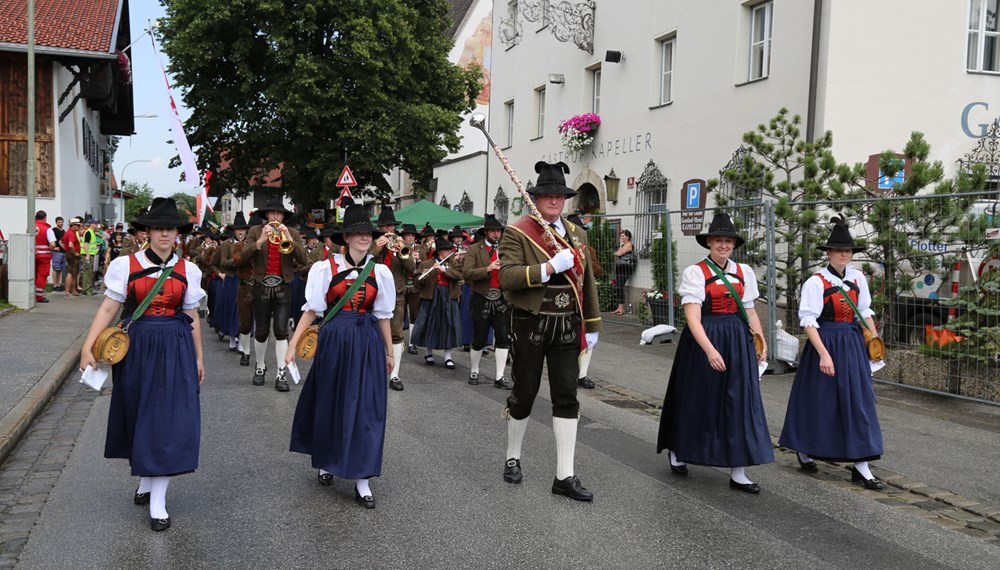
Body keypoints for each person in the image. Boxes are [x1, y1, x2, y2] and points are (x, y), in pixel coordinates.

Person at [78, 198, 205, 532]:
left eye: (171, 229)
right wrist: (87, 347)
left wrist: (199, 358)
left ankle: (158, 499)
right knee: (139, 413)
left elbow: (192, 315)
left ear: (178, 234)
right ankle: (147, 479)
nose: (165, 234)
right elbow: (108, 310)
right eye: (159, 228)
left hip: (175, 347)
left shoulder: (189, 270)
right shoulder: (125, 265)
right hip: (136, 348)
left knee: (167, 418)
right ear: (147, 232)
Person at [498, 161, 602, 501]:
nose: (554, 201)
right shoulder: (517, 231)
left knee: (567, 396)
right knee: (524, 393)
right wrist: (546, 268)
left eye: (559, 195)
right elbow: (507, 277)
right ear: (537, 199)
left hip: (568, 324)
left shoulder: (577, 234)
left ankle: (564, 475)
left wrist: (593, 322)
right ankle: (513, 455)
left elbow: (586, 282)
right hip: (532, 321)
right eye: (548, 195)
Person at [285, 202, 395, 509]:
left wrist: (389, 351)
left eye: (367, 234)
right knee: (331, 402)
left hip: (367, 341)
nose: (363, 238)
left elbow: (384, 314)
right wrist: (293, 346)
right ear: (345, 237)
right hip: (334, 340)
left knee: (367, 408)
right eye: (357, 233)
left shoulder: (380, 272)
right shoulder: (325, 269)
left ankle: (362, 479)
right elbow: (311, 311)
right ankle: (326, 460)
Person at [656, 212, 773, 494]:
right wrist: (709, 350)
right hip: (704, 339)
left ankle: (738, 469)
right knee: (699, 398)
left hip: (738, 340)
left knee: (740, 402)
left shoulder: (743, 272)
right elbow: (693, 319)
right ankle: (680, 449)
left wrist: (761, 342)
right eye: (718, 240)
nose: (723, 245)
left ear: (734, 244)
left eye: (728, 241)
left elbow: (749, 310)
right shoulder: (696, 273)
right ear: (709, 242)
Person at [778, 217, 885, 490]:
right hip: (824, 343)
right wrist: (824, 354)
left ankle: (861, 466)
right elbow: (808, 321)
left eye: (847, 250)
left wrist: (874, 342)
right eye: (838, 250)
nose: (843, 254)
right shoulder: (816, 282)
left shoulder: (858, 278)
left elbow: (864, 312)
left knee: (859, 403)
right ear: (828, 253)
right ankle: (804, 448)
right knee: (820, 402)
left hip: (851, 344)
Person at [233, 197, 307, 391]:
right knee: (262, 331)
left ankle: (281, 372)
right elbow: (242, 258)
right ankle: (259, 367)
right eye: (272, 213)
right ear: (266, 215)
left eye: (279, 213)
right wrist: (260, 241)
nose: (276, 216)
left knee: (282, 331)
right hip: (261, 286)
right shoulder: (256, 231)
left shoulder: (292, 232)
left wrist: (289, 239)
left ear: (283, 215)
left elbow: (303, 258)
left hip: (283, 286)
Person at [461, 214, 512, 389]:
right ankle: (474, 370)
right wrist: (488, 269)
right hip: (481, 297)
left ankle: (500, 376)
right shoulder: (475, 249)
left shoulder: (506, 250)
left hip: (501, 298)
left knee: (503, 337)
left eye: (498, 231)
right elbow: (467, 273)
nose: (496, 234)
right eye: (492, 231)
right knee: (480, 337)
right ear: (486, 232)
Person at [371, 207, 417, 392]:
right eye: (385, 226)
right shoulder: (373, 242)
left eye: (391, 226)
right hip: (375, 292)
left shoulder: (402, 244)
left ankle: (395, 375)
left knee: (397, 333)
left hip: (397, 293)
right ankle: (375, 371)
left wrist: (401, 249)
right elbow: (364, 262)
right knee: (374, 333)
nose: (388, 229)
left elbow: (412, 267)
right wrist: (377, 248)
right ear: (380, 227)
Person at [411, 237, 463, 368]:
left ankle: (448, 357)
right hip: (431, 296)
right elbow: (417, 281)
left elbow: (459, 275)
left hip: (448, 296)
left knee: (449, 325)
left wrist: (444, 270)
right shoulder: (427, 263)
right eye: (446, 250)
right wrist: (424, 275)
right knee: (430, 325)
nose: (449, 252)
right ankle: (429, 353)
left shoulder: (453, 263)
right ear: (440, 251)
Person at [567, 212, 601, 389]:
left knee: (589, 335)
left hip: (584, 297)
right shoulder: (560, 248)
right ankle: (569, 372)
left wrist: (587, 259)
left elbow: (597, 271)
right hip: (567, 298)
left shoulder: (589, 249)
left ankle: (583, 375)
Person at [398, 223, 422, 355]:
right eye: (408, 235)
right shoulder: (399, 248)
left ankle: (412, 343)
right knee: (400, 314)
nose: (410, 237)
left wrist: (419, 261)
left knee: (414, 315)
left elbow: (425, 266)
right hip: (402, 284)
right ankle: (399, 341)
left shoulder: (420, 249)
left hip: (414, 286)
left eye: (412, 235)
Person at [33, 210, 57, 303]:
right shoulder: (48, 229)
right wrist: (50, 249)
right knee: (42, 275)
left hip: (33, 254)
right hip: (44, 256)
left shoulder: (31, 226)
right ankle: (38, 296)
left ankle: (32, 294)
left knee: (33, 275)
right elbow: (53, 244)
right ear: (45, 218)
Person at [612, 229, 635, 315]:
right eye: (620, 236)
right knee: (618, 287)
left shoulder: (629, 245)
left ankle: (622, 309)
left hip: (625, 269)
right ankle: (619, 307)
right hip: (620, 268)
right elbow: (619, 252)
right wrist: (618, 252)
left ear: (628, 237)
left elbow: (618, 254)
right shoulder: (623, 245)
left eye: (623, 236)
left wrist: (618, 252)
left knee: (620, 286)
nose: (621, 237)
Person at [60, 218, 83, 297]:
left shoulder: (67, 232)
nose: (79, 227)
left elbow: (61, 241)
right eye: (77, 225)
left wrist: (65, 249)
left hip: (69, 253)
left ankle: (73, 290)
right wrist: (74, 253)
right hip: (72, 255)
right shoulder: (71, 233)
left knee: (74, 273)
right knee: (71, 273)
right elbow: (70, 244)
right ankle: (68, 291)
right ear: (73, 225)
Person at [80, 218, 100, 295]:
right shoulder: (88, 232)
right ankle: (86, 289)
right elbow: (86, 244)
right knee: (87, 272)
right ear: (91, 224)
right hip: (87, 255)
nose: (97, 225)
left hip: (91, 254)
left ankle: (89, 288)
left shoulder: (91, 232)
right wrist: (87, 255)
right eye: (95, 224)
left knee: (90, 272)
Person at [51, 216, 66, 292]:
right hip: (56, 252)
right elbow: (50, 240)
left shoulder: (63, 231)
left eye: (61, 222)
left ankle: (58, 284)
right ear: (56, 223)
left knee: (59, 269)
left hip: (63, 252)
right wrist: (54, 248)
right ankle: (55, 285)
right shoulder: (53, 230)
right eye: (59, 222)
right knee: (55, 268)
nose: (60, 223)